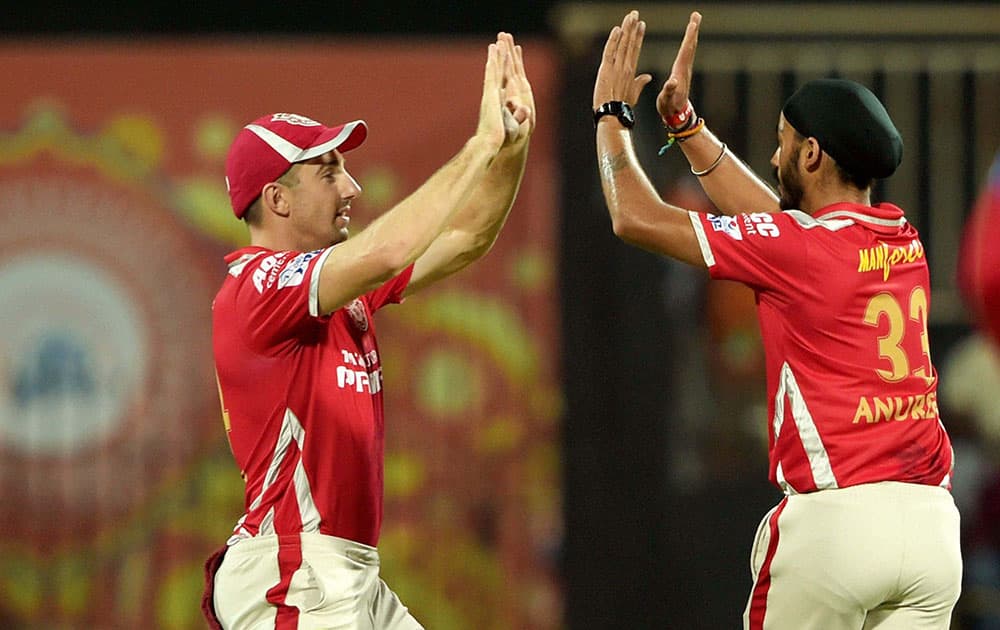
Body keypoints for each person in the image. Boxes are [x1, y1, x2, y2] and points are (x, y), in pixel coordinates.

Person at [593, 11, 960, 630]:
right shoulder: (903, 239)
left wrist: (610, 116)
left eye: (784, 142)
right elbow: (783, 231)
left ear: (812, 153)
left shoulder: (799, 251)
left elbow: (633, 215)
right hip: (931, 533)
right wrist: (686, 126)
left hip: (836, 530)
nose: (772, 153)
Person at [202, 33, 534, 629]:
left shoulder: (332, 291)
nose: (352, 188)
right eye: (329, 172)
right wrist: (480, 143)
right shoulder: (257, 288)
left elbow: (466, 239)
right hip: (295, 572)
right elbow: (392, 249)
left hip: (346, 573)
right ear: (277, 199)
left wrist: (512, 145)